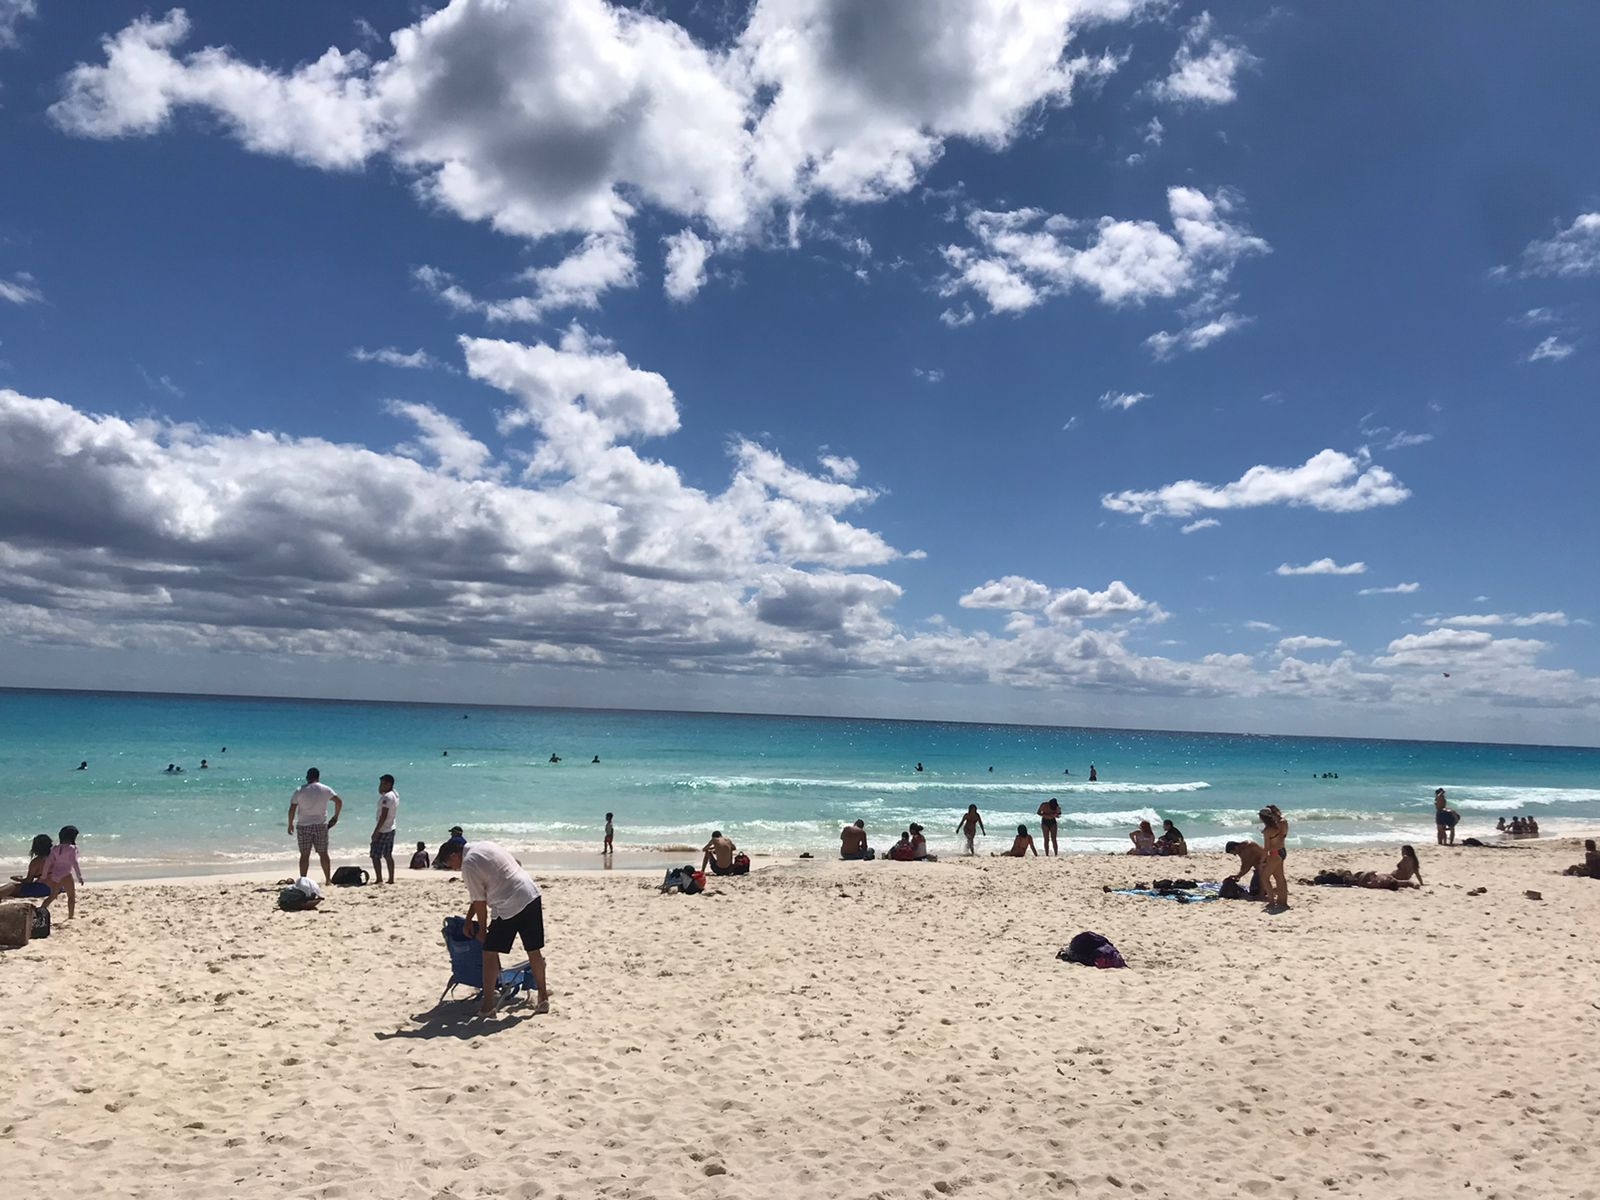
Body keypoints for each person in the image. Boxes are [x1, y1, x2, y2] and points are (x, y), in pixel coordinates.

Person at [438, 841, 549, 1016]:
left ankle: (488, 1005)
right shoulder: (486, 846)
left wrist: (482, 931)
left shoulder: (468, 865)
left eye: (448, 864)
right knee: (534, 951)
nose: (451, 869)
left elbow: (480, 902)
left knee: (489, 952)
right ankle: (543, 998)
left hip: (509, 903)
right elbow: (480, 894)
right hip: (530, 893)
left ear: (454, 855)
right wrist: (468, 919)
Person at [287, 767, 342, 886]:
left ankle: (303, 880)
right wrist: (335, 817)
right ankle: (328, 880)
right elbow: (338, 801)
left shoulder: (300, 790)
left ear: (307, 777)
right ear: (318, 777)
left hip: (303, 825)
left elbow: (292, 808)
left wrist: (290, 823)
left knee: (304, 854)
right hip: (320, 825)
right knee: (323, 853)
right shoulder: (325, 789)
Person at [43, 825, 85, 918]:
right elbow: (74, 863)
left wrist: (44, 875)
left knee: (52, 896)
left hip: (55, 874)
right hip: (66, 875)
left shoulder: (55, 848)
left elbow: (48, 862)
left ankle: (41, 909)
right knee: (71, 896)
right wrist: (79, 876)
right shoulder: (72, 848)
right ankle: (70, 916)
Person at [0, 834, 56, 902]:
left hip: (43, 889)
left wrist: (19, 879)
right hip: (56, 887)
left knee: (12, 886)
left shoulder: (36, 862)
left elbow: (28, 881)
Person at [370, 774, 399, 885]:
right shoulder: (394, 794)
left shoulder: (387, 798)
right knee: (388, 854)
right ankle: (391, 878)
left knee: (375, 855)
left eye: (382, 784)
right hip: (391, 827)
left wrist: (376, 831)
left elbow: (383, 816)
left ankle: (379, 879)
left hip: (384, 829)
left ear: (388, 784)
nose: (380, 786)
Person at [1259, 806, 1290, 909]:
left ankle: (1271, 901)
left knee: (1264, 877)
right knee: (1280, 878)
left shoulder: (1268, 831)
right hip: (1282, 851)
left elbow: (1266, 847)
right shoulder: (1279, 825)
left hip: (1275, 853)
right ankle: (1283, 902)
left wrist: (1262, 860)